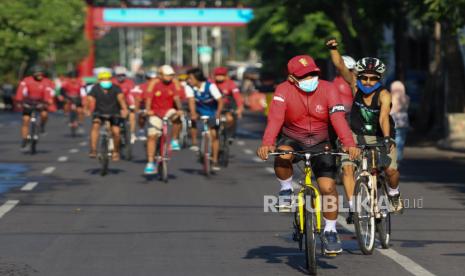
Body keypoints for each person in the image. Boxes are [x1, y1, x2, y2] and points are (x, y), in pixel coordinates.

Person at [256, 55, 360, 254]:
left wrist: (349, 144)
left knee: (327, 188)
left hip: (323, 142)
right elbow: (276, 118)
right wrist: (267, 143)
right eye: (304, 76)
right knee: (282, 154)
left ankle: (330, 231)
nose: (310, 78)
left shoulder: (329, 89)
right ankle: (286, 190)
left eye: (313, 73)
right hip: (293, 139)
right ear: (292, 78)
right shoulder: (282, 90)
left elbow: (338, 119)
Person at [326, 39, 403, 220]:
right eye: (364, 78)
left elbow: (384, 117)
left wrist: (386, 138)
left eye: (373, 78)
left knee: (391, 171)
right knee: (347, 168)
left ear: (379, 79)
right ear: (358, 77)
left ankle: (393, 193)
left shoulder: (384, 94)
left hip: (380, 135)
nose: (368, 82)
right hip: (355, 134)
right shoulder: (354, 85)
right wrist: (333, 48)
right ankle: (354, 207)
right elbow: (339, 65)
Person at [144, 65, 184, 174]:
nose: (169, 77)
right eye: (167, 75)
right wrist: (148, 110)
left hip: (169, 111)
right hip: (155, 112)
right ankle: (150, 163)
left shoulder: (174, 83)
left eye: (171, 75)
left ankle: (174, 140)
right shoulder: (154, 84)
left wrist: (180, 109)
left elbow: (176, 97)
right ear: (160, 75)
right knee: (152, 136)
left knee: (177, 117)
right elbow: (149, 97)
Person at [185, 67, 224, 171]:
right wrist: (193, 114)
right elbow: (191, 101)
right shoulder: (189, 87)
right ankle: (194, 143)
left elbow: (220, 101)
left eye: (191, 78)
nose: (189, 80)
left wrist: (218, 114)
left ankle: (215, 160)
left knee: (214, 135)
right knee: (191, 120)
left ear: (197, 78)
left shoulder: (210, 86)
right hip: (199, 111)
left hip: (212, 112)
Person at [86, 70, 128, 161]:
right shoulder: (95, 88)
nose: (105, 81)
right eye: (103, 79)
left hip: (114, 113)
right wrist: (87, 109)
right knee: (95, 126)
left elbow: (121, 99)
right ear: (99, 80)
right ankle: (93, 150)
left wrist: (124, 109)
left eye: (107, 79)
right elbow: (89, 99)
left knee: (116, 132)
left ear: (111, 79)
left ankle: (116, 151)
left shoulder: (116, 88)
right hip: (99, 112)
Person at [15, 66, 54, 150]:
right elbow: (20, 91)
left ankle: (42, 126)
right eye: (37, 73)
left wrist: (48, 101)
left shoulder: (46, 82)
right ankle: (25, 138)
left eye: (41, 73)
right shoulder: (26, 80)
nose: (40, 75)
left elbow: (48, 92)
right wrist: (19, 101)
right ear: (33, 74)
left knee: (44, 115)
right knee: (25, 120)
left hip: (41, 102)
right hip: (29, 101)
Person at [212, 66, 244, 141]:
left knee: (230, 119)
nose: (219, 77)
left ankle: (229, 134)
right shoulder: (211, 83)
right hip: (215, 105)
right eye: (217, 75)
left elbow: (237, 96)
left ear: (225, 76)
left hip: (228, 105)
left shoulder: (231, 83)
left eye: (221, 75)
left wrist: (240, 108)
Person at [130, 70, 158, 140]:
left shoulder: (159, 87)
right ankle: (141, 129)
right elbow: (137, 99)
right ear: (147, 79)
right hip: (143, 106)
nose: (153, 81)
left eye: (155, 79)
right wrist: (137, 110)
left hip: (156, 106)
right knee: (140, 116)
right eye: (150, 79)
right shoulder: (141, 87)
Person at [112, 66, 137, 144]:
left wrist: (132, 105)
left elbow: (132, 94)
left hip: (126, 103)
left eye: (122, 75)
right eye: (118, 75)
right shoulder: (112, 82)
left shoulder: (130, 83)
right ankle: (110, 137)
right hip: (114, 104)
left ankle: (132, 133)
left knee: (132, 115)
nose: (120, 77)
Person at [390, 80, 409, 164]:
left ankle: (393, 158)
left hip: (393, 120)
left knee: (393, 140)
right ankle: (399, 158)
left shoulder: (390, 97)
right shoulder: (406, 97)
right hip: (403, 121)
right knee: (400, 141)